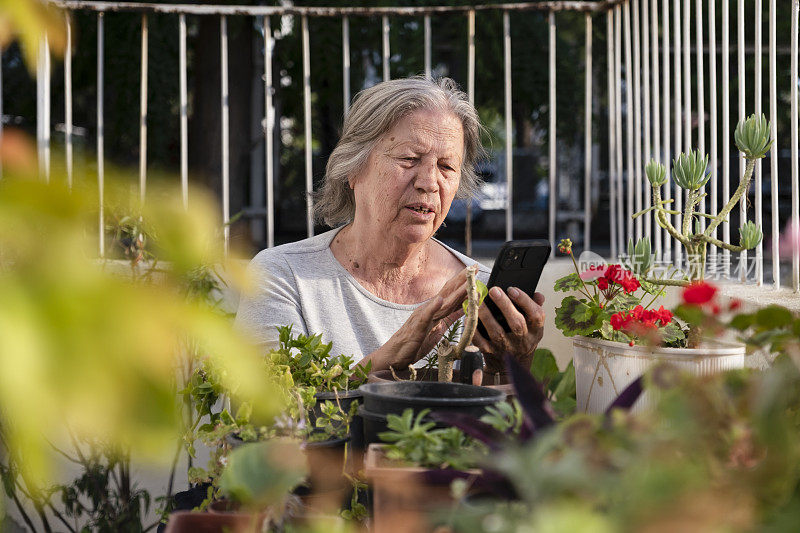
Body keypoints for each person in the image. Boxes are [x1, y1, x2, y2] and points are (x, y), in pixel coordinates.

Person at [235, 76, 545, 375]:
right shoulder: (284, 276)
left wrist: (511, 367)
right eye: (410, 159)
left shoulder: (479, 296)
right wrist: (390, 357)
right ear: (353, 170)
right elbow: (268, 416)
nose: (429, 183)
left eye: (446, 166)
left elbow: (505, 424)